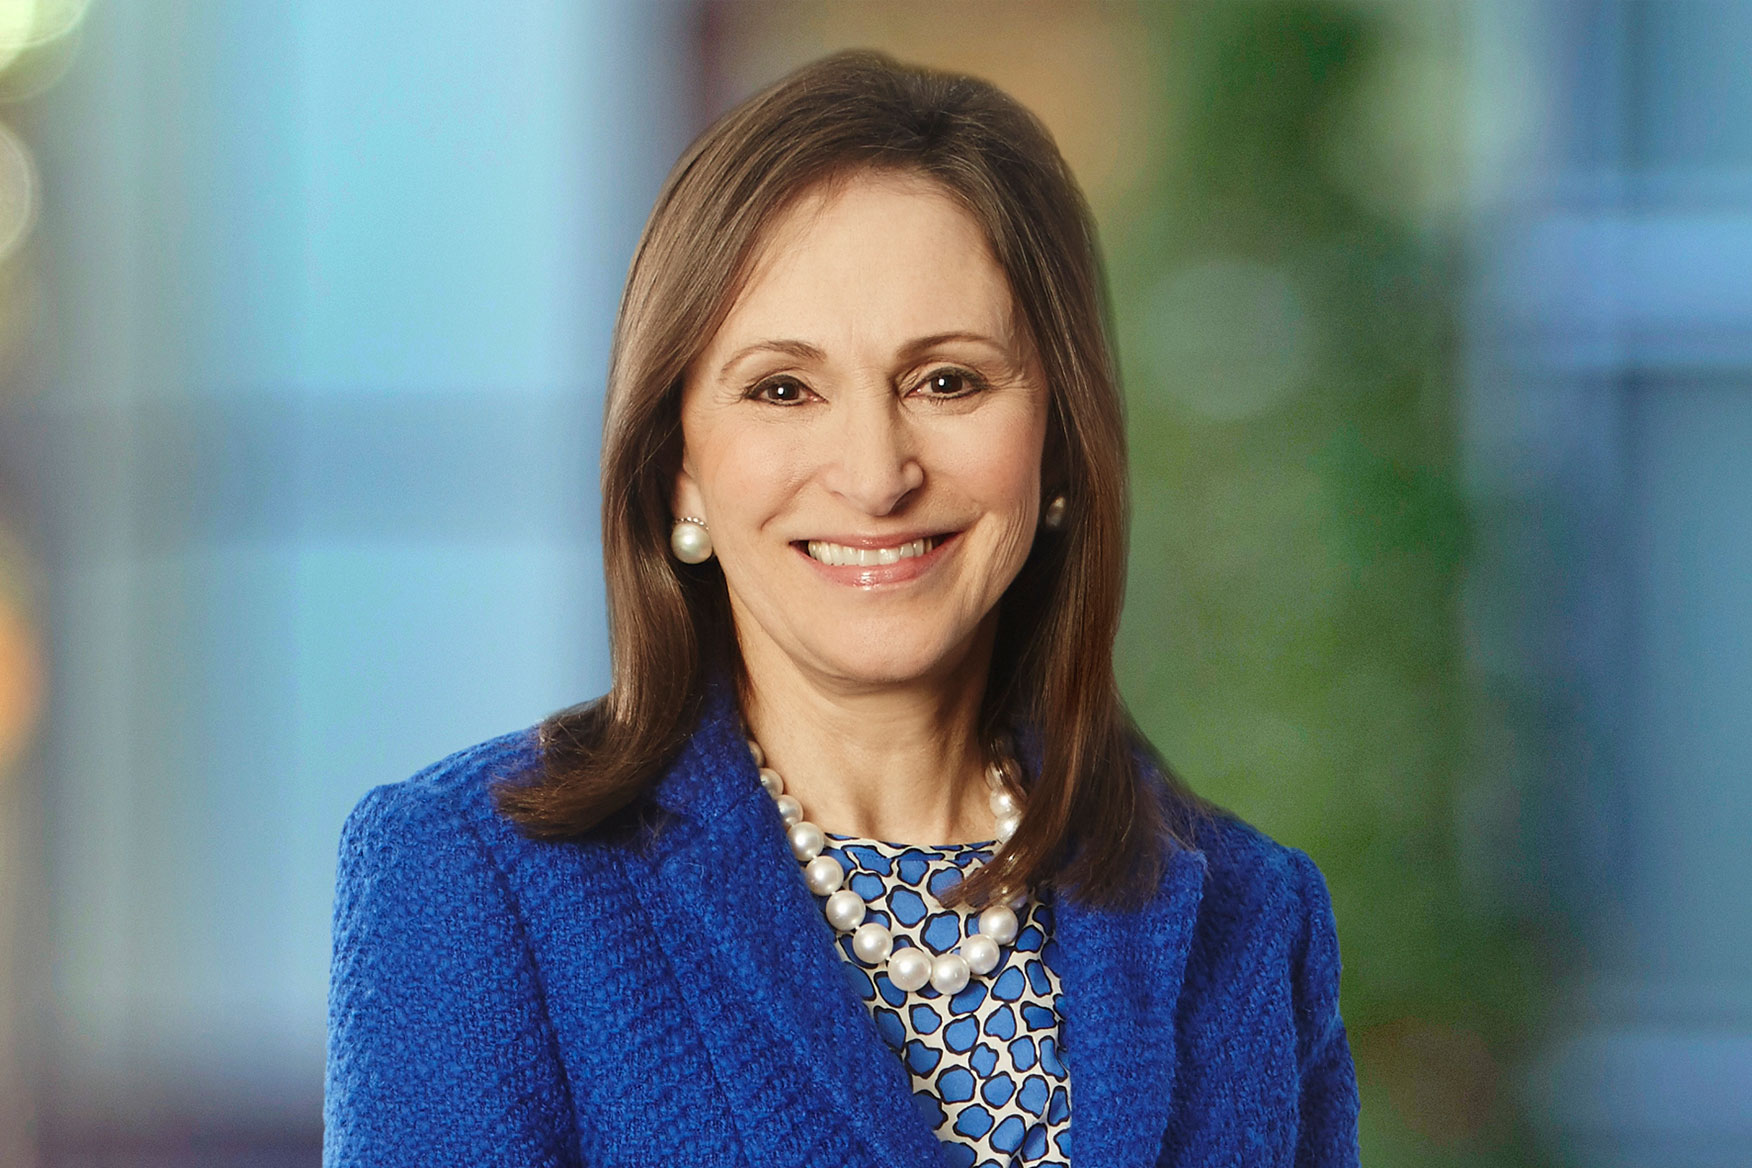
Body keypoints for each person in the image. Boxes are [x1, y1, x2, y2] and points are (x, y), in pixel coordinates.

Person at [323, 51, 1358, 1168]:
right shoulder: (474, 880)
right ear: (678, 466)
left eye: (948, 381)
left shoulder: (1254, 916)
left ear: (1059, 440)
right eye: (784, 389)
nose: (874, 475)